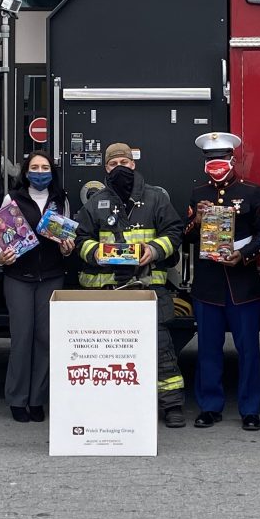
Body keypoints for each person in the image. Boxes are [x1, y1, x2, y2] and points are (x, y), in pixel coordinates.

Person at [75, 142, 188, 428]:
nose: (119, 168)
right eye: (113, 164)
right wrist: (95, 252)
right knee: (108, 354)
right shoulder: (95, 202)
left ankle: (172, 405)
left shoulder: (155, 198)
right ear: (106, 168)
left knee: (161, 350)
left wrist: (154, 250)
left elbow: (174, 231)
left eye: (124, 162)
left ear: (133, 164)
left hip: (147, 288)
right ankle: (113, 406)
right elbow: (80, 238)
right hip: (106, 291)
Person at [183, 130, 260, 432]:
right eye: (210, 159)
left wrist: (244, 255)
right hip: (208, 285)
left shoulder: (252, 192)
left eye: (220, 158)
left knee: (249, 351)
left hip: (242, 284)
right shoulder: (198, 193)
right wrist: (197, 221)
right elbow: (187, 237)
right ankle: (209, 406)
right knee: (208, 349)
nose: (216, 163)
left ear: (232, 160)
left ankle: (250, 409)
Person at [0, 151, 73, 422]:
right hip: (18, 277)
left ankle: (37, 399)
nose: (40, 172)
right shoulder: (13, 199)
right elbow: (2, 238)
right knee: (21, 338)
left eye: (45, 167)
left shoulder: (61, 199)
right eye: (35, 167)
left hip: (51, 276)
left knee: (45, 339)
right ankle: (17, 399)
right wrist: (1, 258)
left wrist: (67, 249)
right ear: (26, 172)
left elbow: (67, 239)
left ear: (52, 171)